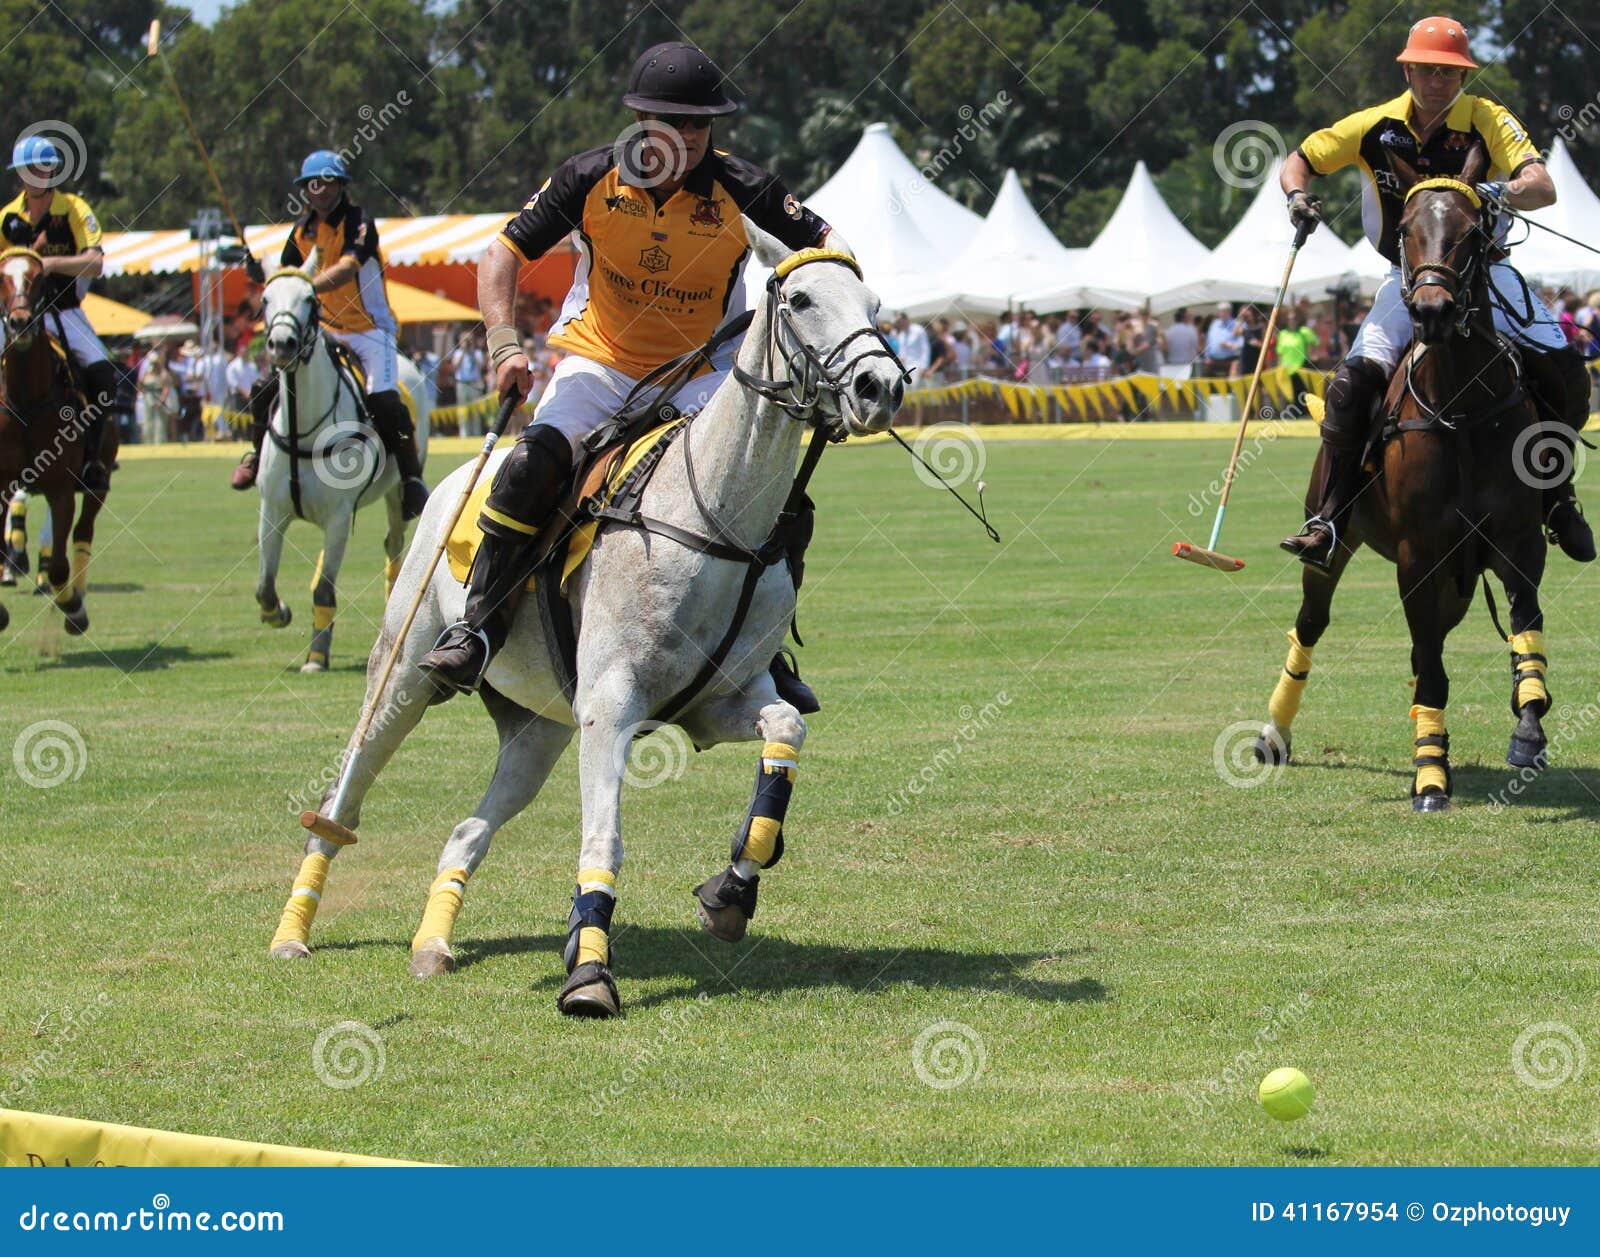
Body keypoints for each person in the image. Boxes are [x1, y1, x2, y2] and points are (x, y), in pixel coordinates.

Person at [418, 40, 844, 710]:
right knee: (533, 465)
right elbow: (500, 256)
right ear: (642, 121)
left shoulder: (742, 187)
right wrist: (505, 345)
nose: (689, 137)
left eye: (701, 124)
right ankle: (477, 626)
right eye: (674, 123)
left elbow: (828, 248)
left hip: (700, 375)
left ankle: (766, 646)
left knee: (779, 496)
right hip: (601, 363)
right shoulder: (588, 179)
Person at [1280, 15, 1591, 567]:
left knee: (1567, 371)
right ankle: (1329, 518)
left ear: (1463, 76)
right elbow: (1300, 160)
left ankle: (1558, 498)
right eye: (1426, 70)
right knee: (1350, 387)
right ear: (1408, 69)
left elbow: (1541, 185)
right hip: (1406, 279)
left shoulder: (1487, 119)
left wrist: (1496, 189)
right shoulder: (1374, 126)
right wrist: (1297, 198)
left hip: (1487, 274)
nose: (1437, 82)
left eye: (1449, 73)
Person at [228, 151, 428, 519]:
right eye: (312, 184)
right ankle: (257, 457)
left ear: (340, 186)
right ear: (305, 189)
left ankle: (412, 479)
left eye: (327, 183)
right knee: (263, 389)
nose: (319, 190)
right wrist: (260, 272)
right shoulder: (302, 229)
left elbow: (347, 268)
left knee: (385, 402)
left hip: (371, 330)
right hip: (324, 329)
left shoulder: (359, 222)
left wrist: (304, 285)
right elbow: (285, 277)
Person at [0, 134, 119, 490]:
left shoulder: (73, 210)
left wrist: (50, 263)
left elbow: (95, 263)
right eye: (25, 170)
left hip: (64, 312)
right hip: (16, 313)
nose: (32, 176)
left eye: (39, 169)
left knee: (102, 378)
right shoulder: (7, 216)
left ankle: (93, 461)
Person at [1202, 302, 1242, 376]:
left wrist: (1229, 345)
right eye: (1221, 311)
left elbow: (1241, 343)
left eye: (1225, 311)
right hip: (1213, 360)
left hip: (1230, 361)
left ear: (1229, 312)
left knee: (1232, 383)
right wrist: (1206, 356)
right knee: (1207, 382)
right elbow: (1208, 341)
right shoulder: (1214, 324)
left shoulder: (1236, 324)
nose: (1222, 313)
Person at [1163, 308, 1199, 374]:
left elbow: (1166, 349)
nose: (1190, 317)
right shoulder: (1191, 330)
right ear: (1185, 317)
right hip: (1187, 364)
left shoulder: (1169, 330)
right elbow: (1195, 348)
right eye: (1189, 316)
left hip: (1173, 363)